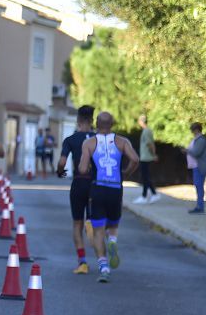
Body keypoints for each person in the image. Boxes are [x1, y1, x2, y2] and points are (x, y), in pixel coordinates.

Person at [78, 111, 139, 283]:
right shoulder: (122, 142)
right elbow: (135, 159)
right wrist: (125, 173)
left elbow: (82, 169)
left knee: (98, 230)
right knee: (113, 224)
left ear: (96, 124)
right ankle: (112, 240)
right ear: (112, 124)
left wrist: (89, 166)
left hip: (98, 188)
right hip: (115, 188)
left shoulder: (89, 143)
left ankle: (103, 266)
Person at [57, 105, 97, 274]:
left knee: (76, 224)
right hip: (96, 184)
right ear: (92, 121)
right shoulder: (99, 139)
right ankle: (93, 226)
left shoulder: (70, 139)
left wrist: (60, 172)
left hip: (79, 183)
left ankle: (82, 262)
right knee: (97, 222)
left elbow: (61, 162)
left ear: (78, 121)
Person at [183, 122, 206, 214]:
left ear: (196, 130)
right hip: (195, 166)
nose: (192, 132)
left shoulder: (201, 140)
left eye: (193, 130)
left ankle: (200, 207)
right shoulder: (197, 139)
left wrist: (187, 150)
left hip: (199, 166)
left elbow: (196, 152)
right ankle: (199, 206)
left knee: (199, 185)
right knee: (198, 185)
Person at [134, 114, 160, 204]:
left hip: (146, 157)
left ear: (141, 121)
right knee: (145, 177)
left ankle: (147, 195)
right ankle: (150, 195)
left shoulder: (146, 131)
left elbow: (150, 144)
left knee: (145, 176)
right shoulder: (146, 131)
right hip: (144, 157)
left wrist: (154, 155)